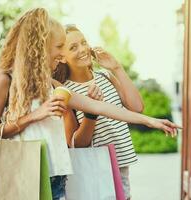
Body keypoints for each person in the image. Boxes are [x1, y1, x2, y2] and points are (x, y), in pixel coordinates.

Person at [0, 8, 180, 200]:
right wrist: (34, 115)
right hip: (23, 175)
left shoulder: (50, 84)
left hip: (55, 176)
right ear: (40, 46)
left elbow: (100, 107)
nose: (61, 53)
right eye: (59, 47)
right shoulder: (4, 80)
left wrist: (151, 121)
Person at [54, 25, 158, 199]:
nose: (82, 49)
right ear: (62, 58)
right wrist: (91, 112)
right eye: (73, 47)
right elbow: (76, 144)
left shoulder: (105, 76)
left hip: (121, 166)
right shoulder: (66, 91)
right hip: (95, 171)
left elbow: (137, 107)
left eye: (83, 42)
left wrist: (116, 68)